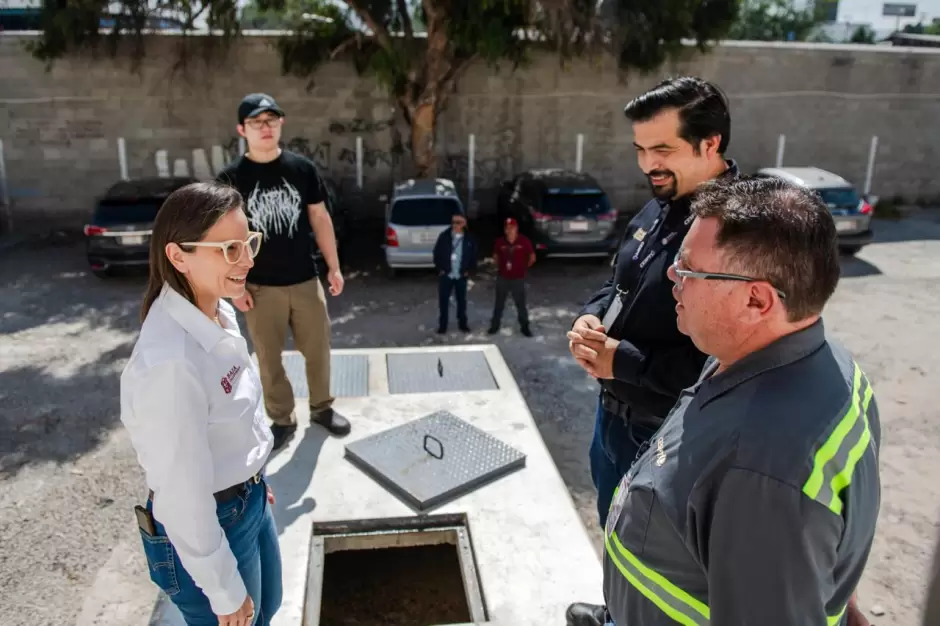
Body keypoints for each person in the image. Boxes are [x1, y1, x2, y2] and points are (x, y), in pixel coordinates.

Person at [599, 175, 880, 625]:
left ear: (756, 299)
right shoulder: (811, 361)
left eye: (688, 269)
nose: (672, 275)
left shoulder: (761, 469)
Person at [568, 76, 737, 538]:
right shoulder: (659, 206)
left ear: (710, 143)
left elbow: (723, 361)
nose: (648, 165)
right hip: (613, 417)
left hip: (665, 435)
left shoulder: (736, 231)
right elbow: (617, 284)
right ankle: (611, 612)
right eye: (640, 150)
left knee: (651, 552)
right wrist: (590, 317)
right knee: (614, 531)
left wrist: (621, 361)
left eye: (661, 149)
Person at [120, 181, 282, 625]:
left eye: (248, 242)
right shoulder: (169, 363)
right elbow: (180, 495)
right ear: (178, 256)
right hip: (212, 522)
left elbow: (238, 410)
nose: (247, 259)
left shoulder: (217, 309)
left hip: (247, 498)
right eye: (229, 248)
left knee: (268, 609)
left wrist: (253, 472)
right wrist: (224, 590)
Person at [217, 93, 348, 450]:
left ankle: (322, 408)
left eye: (271, 120)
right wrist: (233, 286)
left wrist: (333, 267)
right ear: (242, 129)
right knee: (269, 360)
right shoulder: (231, 177)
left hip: (305, 280)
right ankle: (282, 419)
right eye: (257, 122)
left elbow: (320, 218)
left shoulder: (302, 169)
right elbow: (225, 237)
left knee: (318, 350)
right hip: (260, 288)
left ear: (281, 124)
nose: (265, 128)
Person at [488, 217, 535, 336]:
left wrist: (523, 268)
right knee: (499, 304)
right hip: (503, 278)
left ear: (516, 228)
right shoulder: (500, 242)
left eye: (512, 228)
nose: (510, 230)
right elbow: (495, 257)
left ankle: (525, 327)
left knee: (521, 304)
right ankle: (494, 326)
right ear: (505, 229)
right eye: (508, 228)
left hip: (518, 278)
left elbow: (532, 257)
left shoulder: (524, 241)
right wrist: (501, 267)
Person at [433, 211, 478, 334]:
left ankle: (463, 324)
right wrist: (440, 269)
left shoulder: (469, 238)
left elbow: (473, 256)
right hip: (446, 274)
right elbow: (436, 253)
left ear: (464, 223)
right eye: (453, 222)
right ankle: (443, 326)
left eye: (458, 222)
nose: (455, 225)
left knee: (461, 301)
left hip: (461, 275)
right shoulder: (444, 236)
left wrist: (468, 270)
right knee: (443, 302)